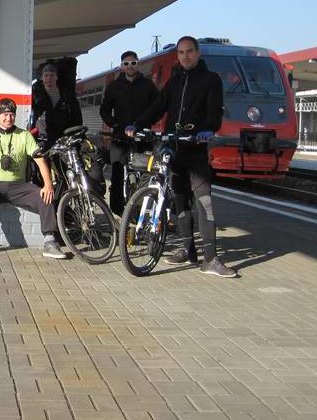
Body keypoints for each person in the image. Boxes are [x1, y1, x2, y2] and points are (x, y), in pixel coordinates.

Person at [126, 36, 236, 278]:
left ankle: (211, 259)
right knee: (179, 201)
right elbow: (158, 107)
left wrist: (209, 129)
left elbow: (215, 110)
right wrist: (137, 123)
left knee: (204, 201)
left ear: (197, 54)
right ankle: (187, 249)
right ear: (178, 56)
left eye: (189, 52)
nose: (185, 56)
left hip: (196, 147)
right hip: (173, 147)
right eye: (181, 53)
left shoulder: (211, 80)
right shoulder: (174, 82)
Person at [0, 98, 67, 259]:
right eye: (5, 115)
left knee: (46, 196)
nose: (8, 118)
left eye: (12, 115)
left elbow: (40, 159)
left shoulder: (25, 135)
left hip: (19, 187)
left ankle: (50, 242)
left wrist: (48, 184)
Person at [99, 50, 158, 214]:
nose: (130, 66)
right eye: (126, 63)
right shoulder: (114, 87)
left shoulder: (147, 85)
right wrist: (114, 124)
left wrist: (146, 124)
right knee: (117, 174)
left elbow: (157, 107)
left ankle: (142, 210)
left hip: (142, 136)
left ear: (138, 65)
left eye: (133, 63)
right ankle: (117, 213)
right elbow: (104, 110)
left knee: (145, 173)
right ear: (121, 66)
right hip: (120, 138)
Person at [30, 62, 83, 148]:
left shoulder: (67, 96)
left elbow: (77, 117)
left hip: (63, 139)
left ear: (56, 77)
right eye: (46, 75)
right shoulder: (35, 95)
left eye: (52, 75)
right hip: (43, 138)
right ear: (41, 78)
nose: (49, 78)